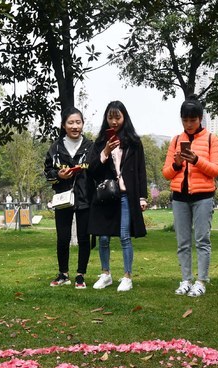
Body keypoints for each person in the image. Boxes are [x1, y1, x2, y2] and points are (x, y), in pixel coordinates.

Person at [161, 96, 218, 297]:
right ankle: (186, 279)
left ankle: (201, 281)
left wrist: (196, 160)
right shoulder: (176, 140)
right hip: (180, 197)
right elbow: (166, 173)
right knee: (183, 242)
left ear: (200, 118)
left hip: (203, 196)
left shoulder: (211, 139)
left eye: (193, 120)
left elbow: (217, 169)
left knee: (202, 240)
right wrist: (177, 164)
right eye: (185, 120)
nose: (188, 124)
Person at [88, 101, 148, 292]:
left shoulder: (134, 142)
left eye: (117, 117)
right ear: (106, 118)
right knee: (103, 237)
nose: (114, 121)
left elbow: (140, 172)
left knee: (124, 236)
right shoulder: (99, 143)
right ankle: (105, 274)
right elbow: (92, 170)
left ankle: (127, 276)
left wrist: (142, 197)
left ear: (124, 118)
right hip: (105, 196)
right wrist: (105, 152)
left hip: (125, 196)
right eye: (110, 117)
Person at [43, 107, 94, 288]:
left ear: (82, 124)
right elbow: (47, 170)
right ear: (64, 125)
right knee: (62, 237)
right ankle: (63, 273)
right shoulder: (55, 148)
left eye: (78, 122)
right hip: (63, 198)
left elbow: (96, 170)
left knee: (83, 237)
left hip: (85, 197)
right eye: (70, 123)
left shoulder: (90, 147)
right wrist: (58, 174)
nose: (75, 126)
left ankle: (80, 275)